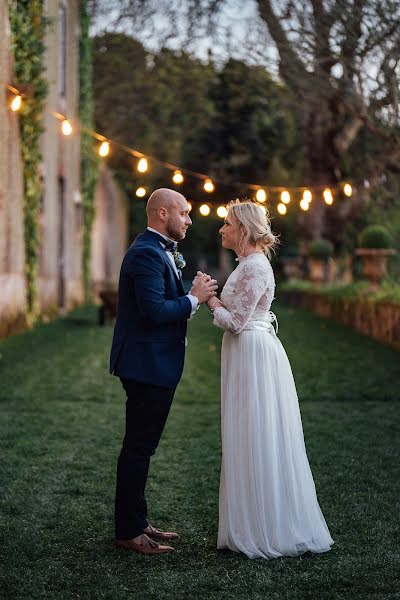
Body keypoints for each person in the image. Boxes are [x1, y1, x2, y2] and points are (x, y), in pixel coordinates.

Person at [207, 199, 334, 559]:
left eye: (227, 223)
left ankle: (266, 529)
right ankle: (245, 525)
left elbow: (236, 321)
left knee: (256, 434)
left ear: (243, 230)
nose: (222, 229)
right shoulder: (247, 264)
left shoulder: (256, 267)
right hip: (243, 352)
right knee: (244, 434)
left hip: (253, 353)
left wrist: (210, 300)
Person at [110, 188, 218, 555]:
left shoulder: (158, 250)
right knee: (138, 448)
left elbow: (161, 305)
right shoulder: (145, 253)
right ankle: (128, 530)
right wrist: (194, 298)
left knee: (143, 446)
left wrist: (191, 296)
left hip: (155, 364)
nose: (189, 219)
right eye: (184, 213)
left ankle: (138, 522)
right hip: (145, 365)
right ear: (161, 214)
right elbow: (154, 312)